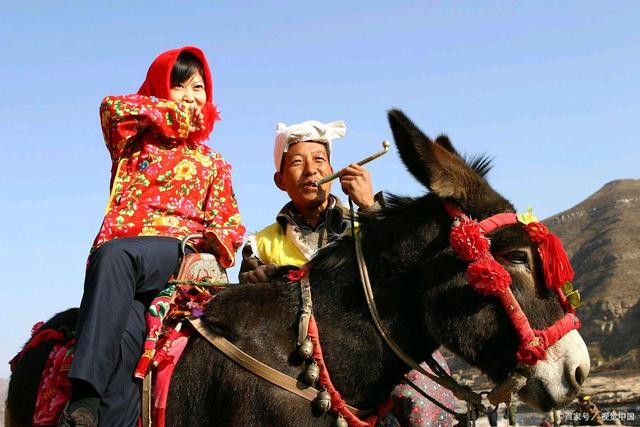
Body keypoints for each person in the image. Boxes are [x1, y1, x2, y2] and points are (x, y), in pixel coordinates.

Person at [58, 46, 245, 427]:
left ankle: (82, 393)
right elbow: (112, 107)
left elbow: (230, 225)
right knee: (126, 338)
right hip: (125, 277)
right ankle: (89, 413)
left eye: (199, 88)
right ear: (159, 89)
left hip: (174, 258)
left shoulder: (213, 162)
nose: (191, 97)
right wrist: (169, 114)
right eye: (178, 86)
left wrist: (215, 238)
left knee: (115, 255)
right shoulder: (133, 144)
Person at [238, 120, 455, 427]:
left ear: (335, 170)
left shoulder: (363, 224)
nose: (311, 170)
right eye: (297, 163)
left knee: (426, 393)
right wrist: (260, 281)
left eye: (319, 160)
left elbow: (402, 266)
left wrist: (370, 207)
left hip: (370, 345)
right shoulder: (260, 242)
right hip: (297, 356)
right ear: (280, 180)